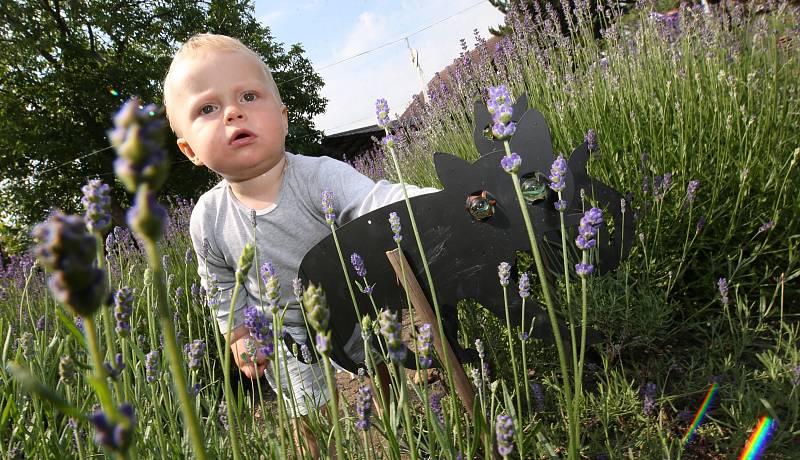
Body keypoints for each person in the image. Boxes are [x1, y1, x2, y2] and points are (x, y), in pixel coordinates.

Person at [162, 33, 436, 457]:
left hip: (353, 308)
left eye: (249, 96)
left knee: (379, 369)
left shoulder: (319, 176)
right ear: (189, 149)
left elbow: (376, 200)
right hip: (284, 332)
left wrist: (435, 201)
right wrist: (236, 331)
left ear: (284, 117)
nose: (233, 112)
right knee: (305, 413)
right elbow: (216, 280)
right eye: (207, 109)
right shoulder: (207, 217)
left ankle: (398, 429)